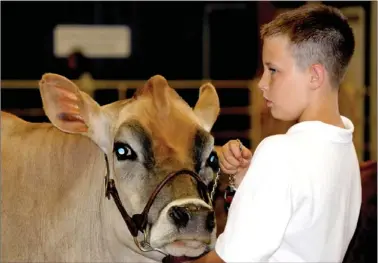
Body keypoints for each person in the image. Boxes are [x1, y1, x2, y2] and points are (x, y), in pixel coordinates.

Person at [192, 3, 362, 263]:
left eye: (273, 70)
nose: (261, 84)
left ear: (315, 76)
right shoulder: (344, 147)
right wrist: (246, 180)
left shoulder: (280, 153)